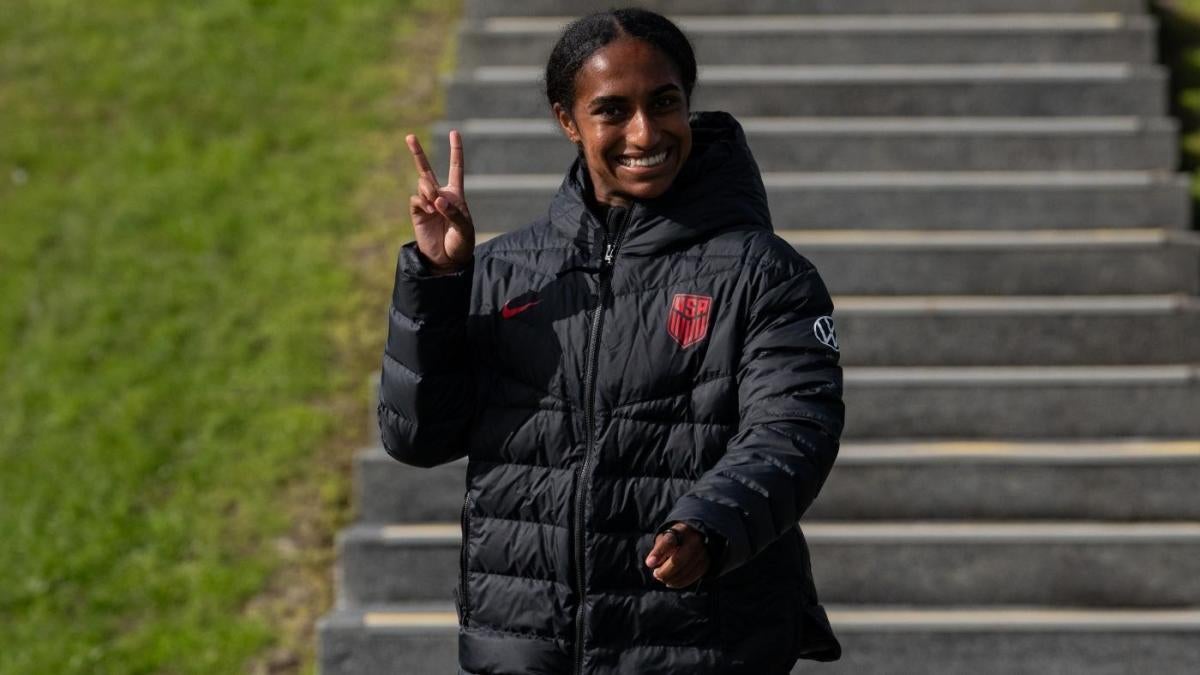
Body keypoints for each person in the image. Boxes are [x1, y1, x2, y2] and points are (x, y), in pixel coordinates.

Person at [379, 8, 844, 674]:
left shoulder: (763, 272)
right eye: (612, 110)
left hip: (700, 643)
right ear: (567, 121)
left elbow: (793, 428)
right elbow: (417, 435)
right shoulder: (504, 269)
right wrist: (439, 280)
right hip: (525, 644)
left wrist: (710, 525)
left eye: (664, 103)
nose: (644, 132)